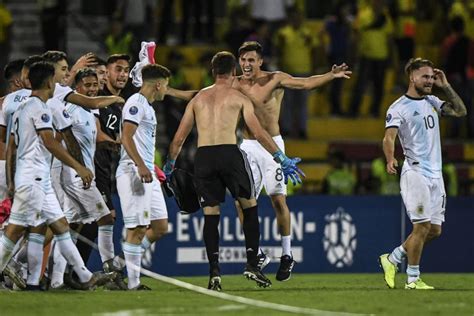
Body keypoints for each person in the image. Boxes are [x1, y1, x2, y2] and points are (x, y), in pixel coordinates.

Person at [166, 41, 351, 282]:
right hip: (248, 147)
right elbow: (201, 94)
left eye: (251, 60)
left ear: (260, 62)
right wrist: (168, 91)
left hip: (272, 145)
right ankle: (258, 253)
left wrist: (331, 75)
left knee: (278, 201)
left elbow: (305, 84)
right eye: (243, 60)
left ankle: (286, 254)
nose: (246, 64)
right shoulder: (233, 83)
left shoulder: (275, 79)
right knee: (242, 202)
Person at [164, 51, 304, 291]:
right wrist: (281, 157)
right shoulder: (239, 97)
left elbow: (178, 138)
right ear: (233, 73)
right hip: (230, 154)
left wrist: (168, 167)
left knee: (211, 214)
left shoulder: (198, 99)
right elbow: (259, 133)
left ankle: (214, 274)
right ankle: (252, 263)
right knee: (249, 205)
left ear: (212, 71)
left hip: (204, 156)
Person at [0, 62, 113, 290]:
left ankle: (81, 276)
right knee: (15, 230)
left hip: (34, 178)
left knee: (59, 225)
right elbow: (50, 143)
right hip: (33, 179)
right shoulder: (40, 108)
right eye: (56, 79)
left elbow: (11, 146)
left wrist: (12, 180)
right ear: (49, 81)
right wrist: (78, 167)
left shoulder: (22, 108)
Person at [379, 58, 467, 290]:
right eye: (425, 77)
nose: (429, 81)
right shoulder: (398, 107)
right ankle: (412, 279)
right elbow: (389, 137)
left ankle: (393, 258)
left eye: (431, 77)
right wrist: (390, 158)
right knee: (422, 227)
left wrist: (445, 85)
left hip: (436, 175)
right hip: (415, 172)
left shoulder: (433, 101)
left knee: (435, 230)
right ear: (412, 77)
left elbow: (461, 111)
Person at [49, 68, 122, 289]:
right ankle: (110, 269)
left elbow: (91, 137)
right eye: (87, 86)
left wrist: (112, 143)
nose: (92, 89)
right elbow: (61, 139)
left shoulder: (89, 114)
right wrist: (79, 168)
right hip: (74, 174)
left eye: (94, 85)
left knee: (69, 226)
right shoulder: (70, 108)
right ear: (77, 88)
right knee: (105, 218)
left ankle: (57, 279)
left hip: (79, 173)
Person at [116, 64, 171, 290]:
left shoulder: (147, 106)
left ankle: (121, 266)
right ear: (158, 85)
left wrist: (149, 166)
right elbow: (126, 137)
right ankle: (132, 283)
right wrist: (140, 165)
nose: (166, 91)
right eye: (166, 85)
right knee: (137, 229)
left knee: (159, 226)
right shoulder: (136, 104)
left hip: (148, 171)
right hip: (134, 170)